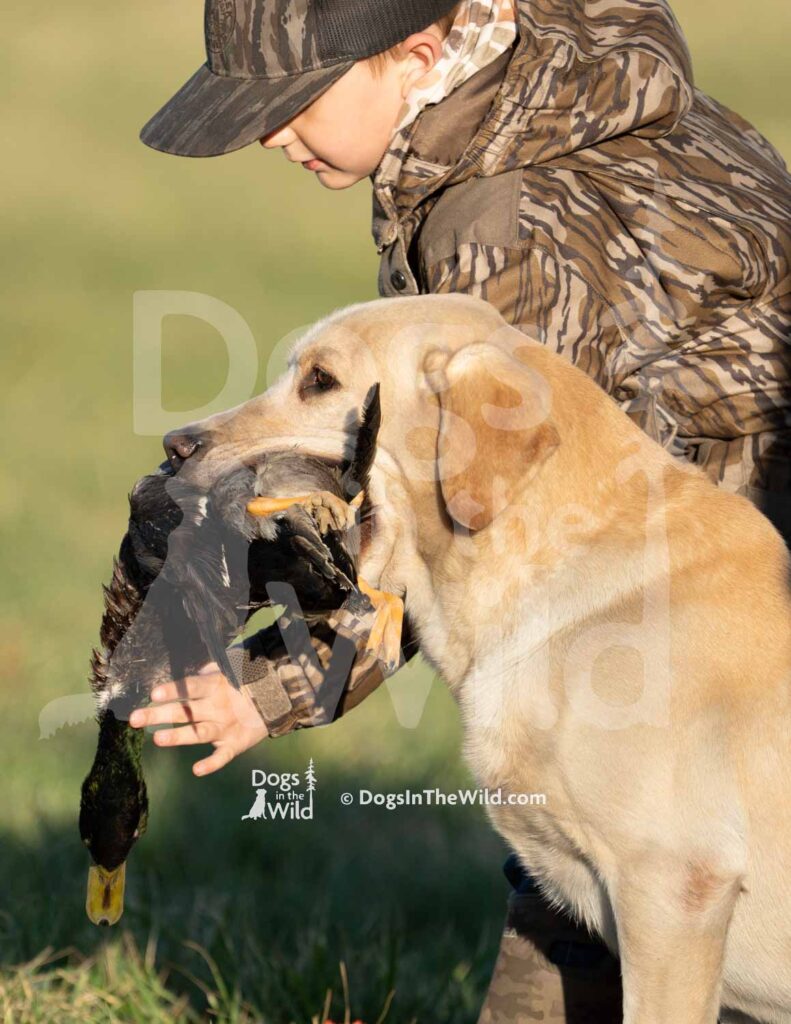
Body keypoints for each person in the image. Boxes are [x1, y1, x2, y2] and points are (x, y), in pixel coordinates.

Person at [132, 0, 791, 1020]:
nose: (271, 136)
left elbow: (470, 517)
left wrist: (271, 686)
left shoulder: (497, 217)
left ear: (417, 54)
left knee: (613, 820)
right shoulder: (567, 94)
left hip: (709, 570)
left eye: (293, 103)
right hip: (715, 546)